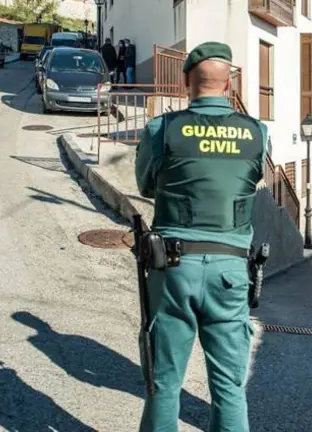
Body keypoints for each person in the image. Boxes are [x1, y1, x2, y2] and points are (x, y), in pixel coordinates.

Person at [135, 41, 267, 432]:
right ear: (229, 85)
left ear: (186, 83)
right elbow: (253, 179)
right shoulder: (256, 133)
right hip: (230, 269)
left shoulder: (163, 129)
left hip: (173, 267)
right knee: (229, 387)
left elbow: (145, 184)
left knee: (164, 383)